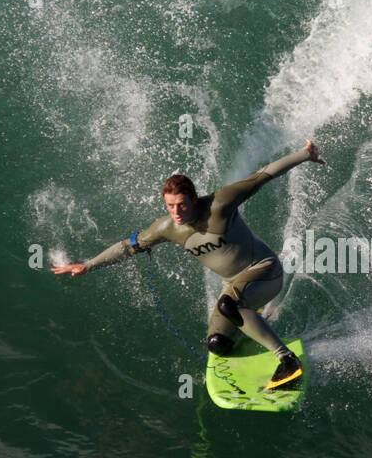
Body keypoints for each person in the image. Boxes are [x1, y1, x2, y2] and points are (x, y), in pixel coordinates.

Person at [53, 139, 324, 388]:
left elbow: (262, 176)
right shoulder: (166, 228)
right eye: (170, 206)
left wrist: (305, 155)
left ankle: (287, 360)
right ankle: (252, 321)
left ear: (194, 198)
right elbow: (127, 247)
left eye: (181, 205)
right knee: (218, 344)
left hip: (265, 272)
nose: (176, 212)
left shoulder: (220, 204)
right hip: (235, 285)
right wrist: (88, 265)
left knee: (229, 305)